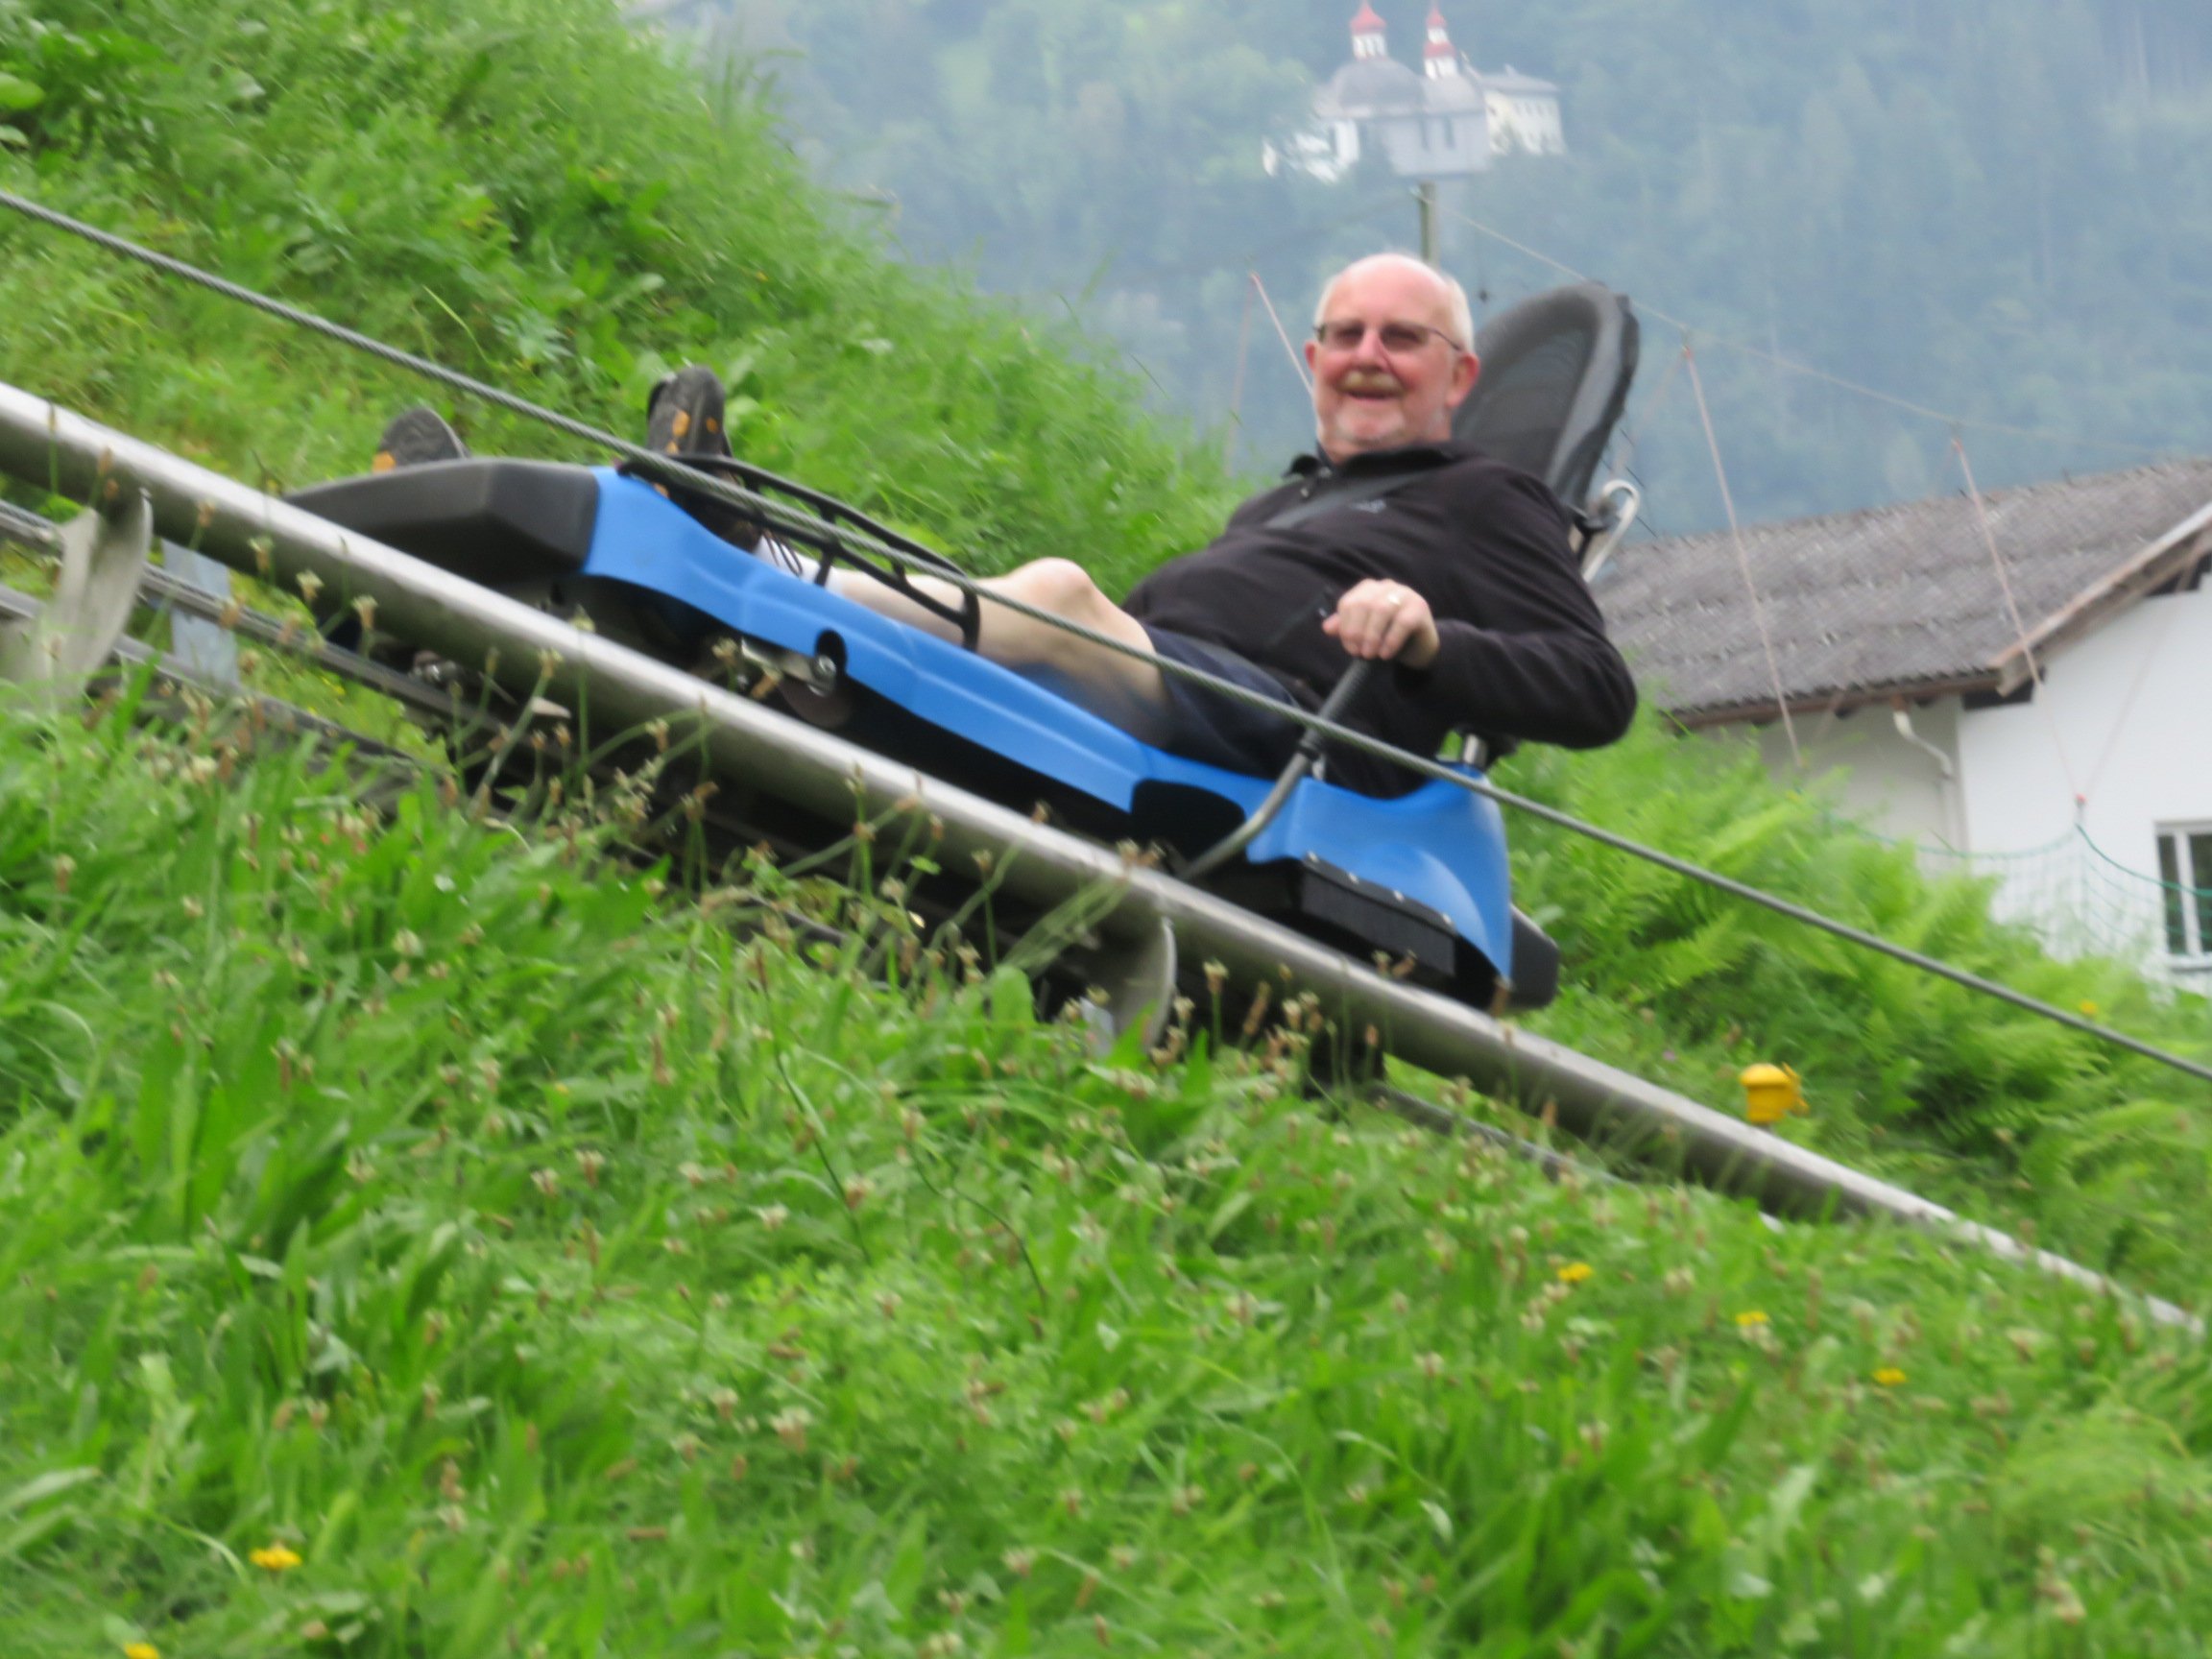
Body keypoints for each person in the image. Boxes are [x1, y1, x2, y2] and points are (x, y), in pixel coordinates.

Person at [376, 252, 1634, 793]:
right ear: (1311, 358)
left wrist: (1424, 642)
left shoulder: (1486, 500)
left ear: (1459, 381)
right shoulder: (1286, 504)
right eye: (1346, 337)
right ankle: (658, 561)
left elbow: (1594, 690)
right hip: (1155, 687)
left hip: (1285, 745)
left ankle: (701, 571)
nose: (1368, 358)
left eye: (1402, 340)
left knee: (1058, 594)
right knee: (985, 606)